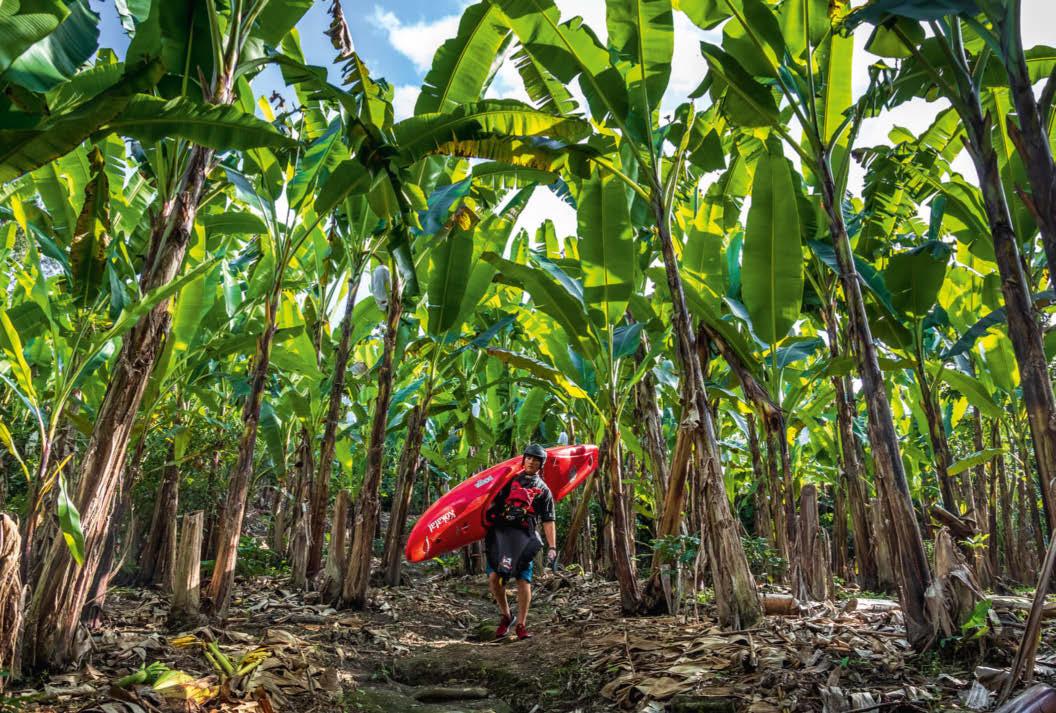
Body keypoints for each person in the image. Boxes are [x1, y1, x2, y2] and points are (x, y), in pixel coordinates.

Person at [483, 443, 557, 640]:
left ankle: (521, 625)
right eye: (529, 458)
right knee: (494, 578)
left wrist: (552, 547)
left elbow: (549, 520)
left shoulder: (543, 490)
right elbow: (491, 503)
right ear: (524, 459)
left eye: (536, 460)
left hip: (524, 537)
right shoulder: (509, 481)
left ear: (541, 464)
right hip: (501, 534)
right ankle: (506, 616)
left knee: (523, 580)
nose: (531, 462)